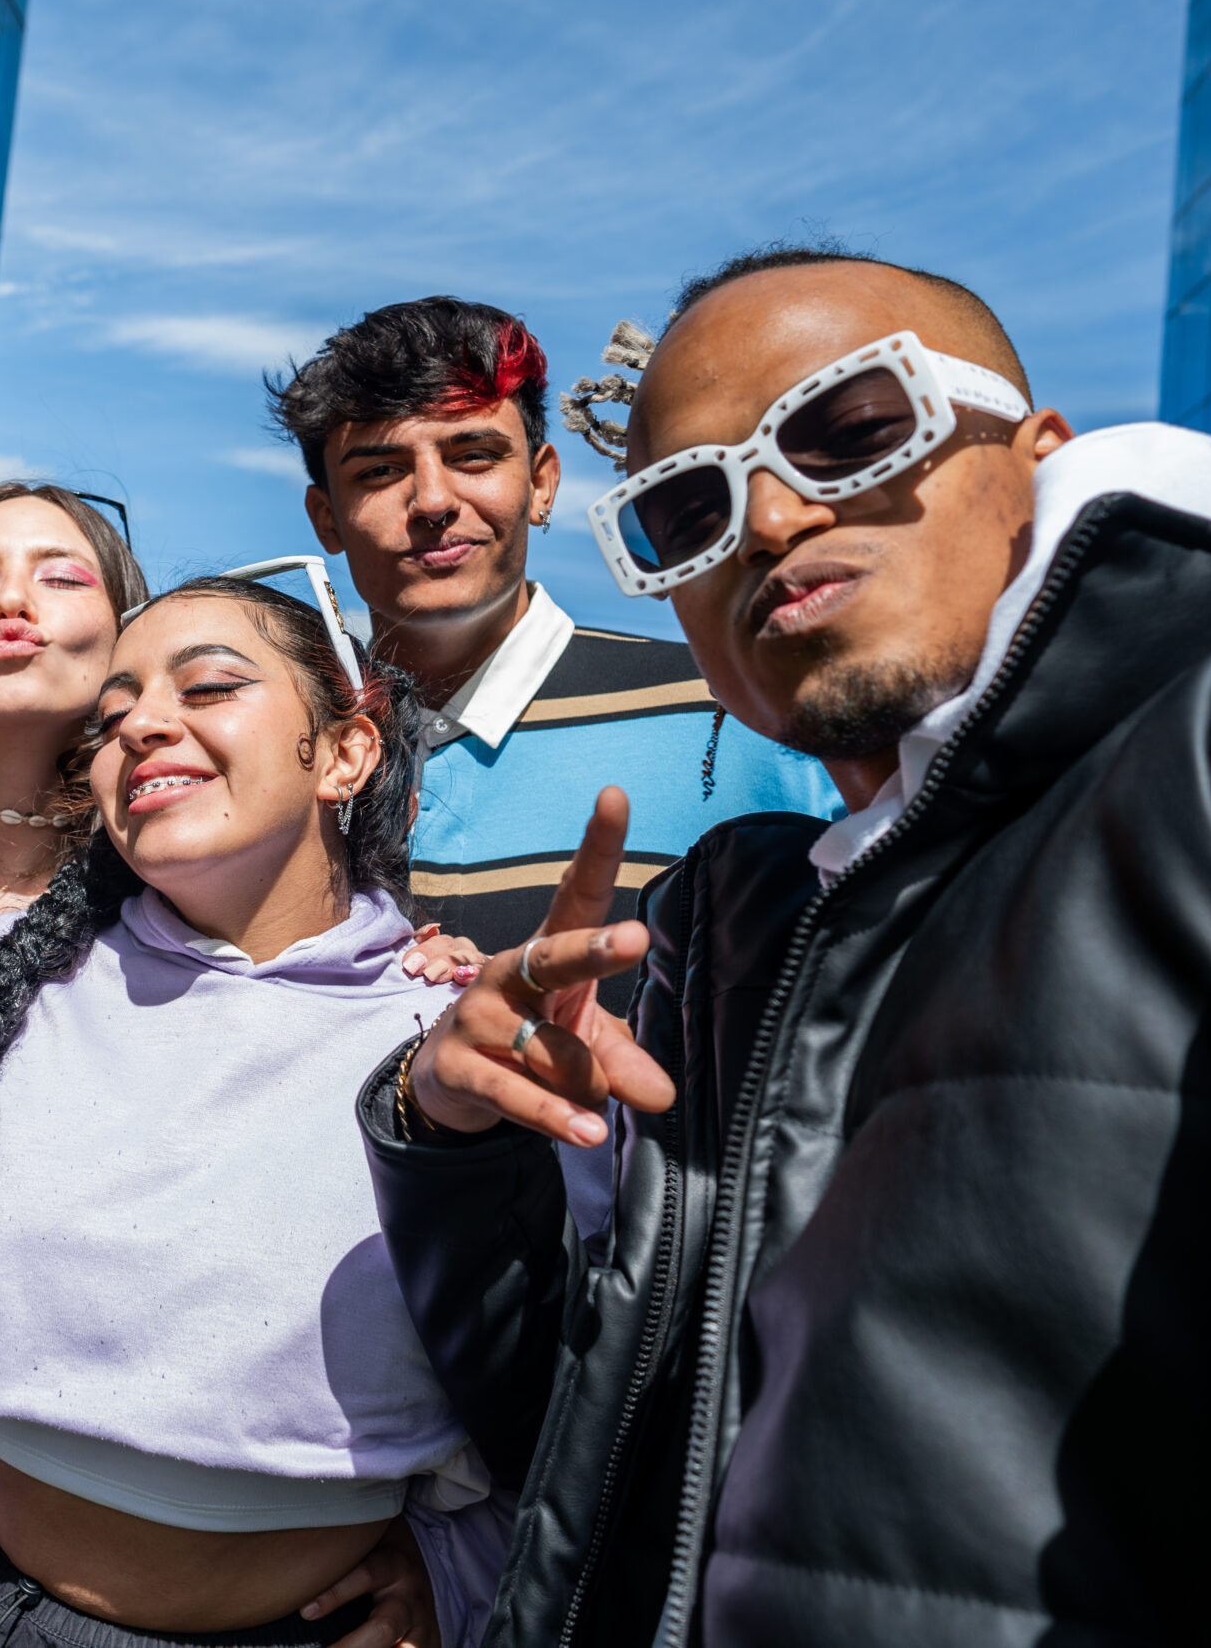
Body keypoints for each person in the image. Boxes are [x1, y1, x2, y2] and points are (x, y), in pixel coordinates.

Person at [366, 248, 1211, 1645]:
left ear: (1038, 453)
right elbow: (592, 1457)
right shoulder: (740, 919)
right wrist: (453, 1131)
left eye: (847, 428)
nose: (769, 517)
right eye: (686, 508)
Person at [0, 572, 517, 1648]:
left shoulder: (452, 1036)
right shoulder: (5, 987)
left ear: (344, 754)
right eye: (111, 718)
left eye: (209, 688)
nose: (143, 725)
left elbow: (558, 1377)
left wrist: (458, 1578)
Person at [268, 296, 841, 1239]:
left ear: (541, 483)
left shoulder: (736, 717)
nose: (433, 500)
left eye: (473, 455)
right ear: (325, 516)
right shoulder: (268, 761)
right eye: (380, 470)